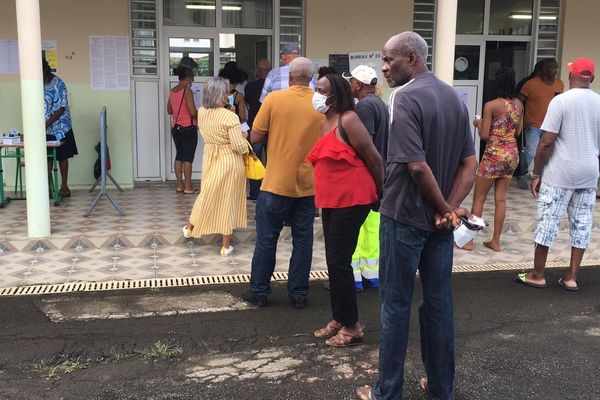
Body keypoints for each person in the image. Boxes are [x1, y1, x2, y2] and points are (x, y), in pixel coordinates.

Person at [357, 32, 477, 400]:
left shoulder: (404, 97)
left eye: (389, 60)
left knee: (395, 303)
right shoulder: (453, 98)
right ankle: (441, 389)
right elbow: (469, 163)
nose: (384, 68)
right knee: (438, 303)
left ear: (412, 58)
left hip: (405, 217)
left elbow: (417, 167)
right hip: (439, 225)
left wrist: (444, 209)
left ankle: (386, 393)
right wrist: (451, 210)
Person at [307, 74, 384, 347]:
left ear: (334, 94)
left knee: (340, 262)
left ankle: (352, 326)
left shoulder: (349, 119)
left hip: (354, 197)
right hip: (332, 199)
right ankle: (340, 318)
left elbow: (373, 157)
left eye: (321, 90)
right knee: (334, 261)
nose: (315, 94)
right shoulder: (324, 120)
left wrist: (380, 192)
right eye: (315, 88)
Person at [242, 57, 323, 309]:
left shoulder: (274, 100)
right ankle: (298, 294)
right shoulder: (321, 105)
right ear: (311, 78)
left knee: (267, 239)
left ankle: (259, 292)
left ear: (289, 77)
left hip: (275, 182)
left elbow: (255, 136)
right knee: (303, 241)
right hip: (308, 185)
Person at [517, 58, 600, 292]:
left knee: (548, 222)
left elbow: (546, 142)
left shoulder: (560, 101)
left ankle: (537, 274)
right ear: (591, 78)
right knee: (582, 224)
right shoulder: (599, 102)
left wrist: (536, 173)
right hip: (588, 172)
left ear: (571, 74)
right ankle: (571, 277)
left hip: (560, 172)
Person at [182, 77, 249, 256]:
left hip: (210, 157)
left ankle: (190, 227)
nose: (228, 95)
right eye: (226, 92)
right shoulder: (230, 116)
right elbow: (238, 146)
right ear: (221, 94)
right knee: (227, 201)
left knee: (207, 194)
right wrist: (244, 136)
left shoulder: (202, 111)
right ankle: (225, 246)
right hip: (229, 160)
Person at [461, 67, 523, 252]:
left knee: (479, 198)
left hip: (493, 156)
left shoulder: (492, 105)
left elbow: (484, 135)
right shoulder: (519, 105)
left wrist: (478, 123)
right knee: (501, 199)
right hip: (512, 155)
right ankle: (495, 241)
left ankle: (469, 241)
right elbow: (518, 132)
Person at [343, 65, 390, 290]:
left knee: (355, 229)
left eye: (351, 81)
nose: (349, 85)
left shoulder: (364, 107)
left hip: (364, 177)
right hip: (379, 176)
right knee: (372, 228)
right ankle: (371, 275)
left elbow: (365, 145)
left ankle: (353, 278)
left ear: (358, 84)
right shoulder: (380, 104)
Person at [518, 58, 564, 176]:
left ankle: (541, 177)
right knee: (531, 152)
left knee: (546, 152)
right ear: (544, 69)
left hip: (551, 125)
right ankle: (521, 174)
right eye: (551, 68)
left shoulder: (560, 84)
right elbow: (519, 102)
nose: (554, 71)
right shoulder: (531, 84)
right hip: (533, 124)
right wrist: (520, 120)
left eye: (556, 68)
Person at [43, 57, 78, 198]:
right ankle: (49, 189)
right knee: (47, 158)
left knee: (63, 157)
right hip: (45, 127)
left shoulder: (58, 83)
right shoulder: (38, 84)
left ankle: (64, 187)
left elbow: (61, 109)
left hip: (61, 126)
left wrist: (45, 124)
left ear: (45, 70)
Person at [167, 57, 198, 194]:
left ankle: (179, 185)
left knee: (179, 156)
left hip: (176, 128)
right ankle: (188, 187)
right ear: (188, 78)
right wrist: (201, 114)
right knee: (188, 158)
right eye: (192, 78)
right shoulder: (187, 91)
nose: (192, 81)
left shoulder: (173, 90)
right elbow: (192, 112)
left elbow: (169, 110)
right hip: (188, 128)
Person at [244, 58, 272, 201]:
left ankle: (254, 193)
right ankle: (271, 191)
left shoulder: (249, 87)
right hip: (272, 127)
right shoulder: (273, 87)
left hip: (255, 126)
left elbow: (248, 103)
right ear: (269, 70)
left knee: (254, 159)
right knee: (273, 159)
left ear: (258, 70)